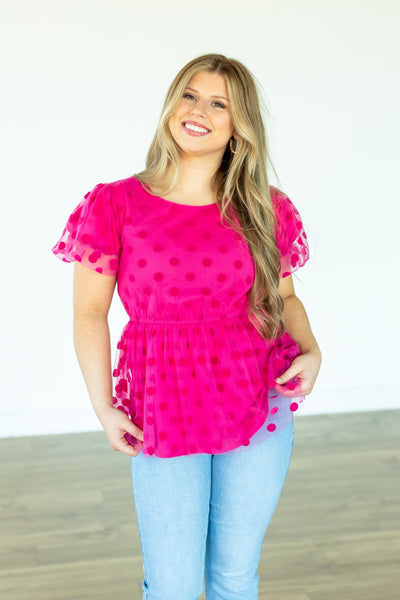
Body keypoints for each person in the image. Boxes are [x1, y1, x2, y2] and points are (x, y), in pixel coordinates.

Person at [51, 53, 321, 600]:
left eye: (219, 104)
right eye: (190, 95)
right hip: (164, 403)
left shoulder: (264, 208)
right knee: (172, 585)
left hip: (257, 397)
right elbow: (89, 313)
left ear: (239, 126)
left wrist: (311, 351)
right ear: (171, 105)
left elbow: (285, 298)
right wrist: (104, 407)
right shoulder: (115, 203)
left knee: (235, 576)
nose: (199, 111)